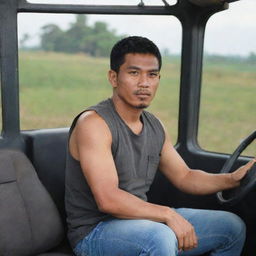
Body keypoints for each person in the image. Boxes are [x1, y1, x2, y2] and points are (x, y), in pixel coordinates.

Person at [65, 36, 255, 256]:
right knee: (159, 236)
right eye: (134, 73)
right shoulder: (94, 123)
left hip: (141, 222)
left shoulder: (155, 126)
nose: (144, 83)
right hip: (94, 233)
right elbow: (108, 199)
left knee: (231, 227)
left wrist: (231, 179)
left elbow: (185, 176)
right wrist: (168, 215)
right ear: (114, 77)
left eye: (152, 74)